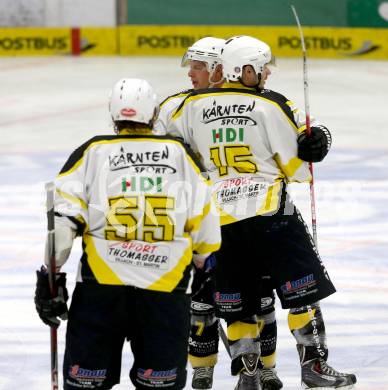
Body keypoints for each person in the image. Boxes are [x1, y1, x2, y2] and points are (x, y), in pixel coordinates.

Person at [168, 36, 357, 390]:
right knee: (303, 293)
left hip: (220, 222)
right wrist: (319, 140)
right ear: (246, 69)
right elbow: (298, 163)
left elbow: (164, 144)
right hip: (271, 216)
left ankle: (248, 376)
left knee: (237, 304)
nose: (268, 72)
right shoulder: (270, 104)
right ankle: (313, 366)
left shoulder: (186, 107)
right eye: (263, 66)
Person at [34, 78, 221, 390]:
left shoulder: (92, 152)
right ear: (152, 114)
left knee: (86, 383)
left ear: (113, 114)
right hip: (167, 287)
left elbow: (62, 226)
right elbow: (206, 223)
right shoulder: (180, 154)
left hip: (101, 290)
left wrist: (50, 280)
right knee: (160, 384)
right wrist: (204, 264)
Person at [154, 37, 225, 390]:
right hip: (194, 218)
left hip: (243, 214)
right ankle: (201, 368)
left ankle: (256, 367)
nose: (191, 73)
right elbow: (150, 153)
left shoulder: (249, 102)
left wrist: (316, 137)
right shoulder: (172, 108)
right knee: (200, 297)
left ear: (218, 69)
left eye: (199, 66)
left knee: (250, 297)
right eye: (192, 66)